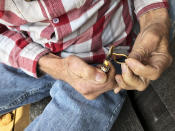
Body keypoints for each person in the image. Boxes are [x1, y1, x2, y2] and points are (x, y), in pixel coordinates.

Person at [0, 0, 172, 130]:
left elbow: (155, 14)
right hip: (27, 46)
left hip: (107, 56)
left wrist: (155, 18)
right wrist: (49, 64)